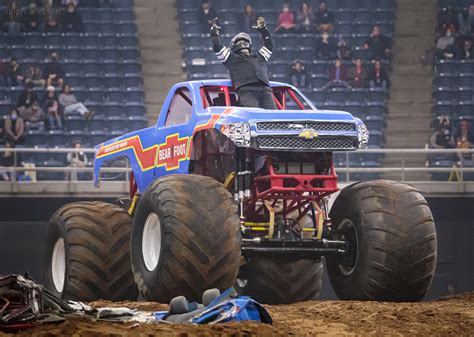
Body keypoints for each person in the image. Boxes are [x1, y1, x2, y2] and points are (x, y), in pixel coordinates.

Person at [211, 17, 276, 109]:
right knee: (253, 116)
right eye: (239, 42)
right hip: (246, 90)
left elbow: (270, 45)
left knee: (272, 117)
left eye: (245, 41)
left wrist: (263, 30)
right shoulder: (231, 58)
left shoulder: (259, 56)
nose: (242, 43)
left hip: (265, 90)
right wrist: (214, 32)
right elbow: (217, 47)